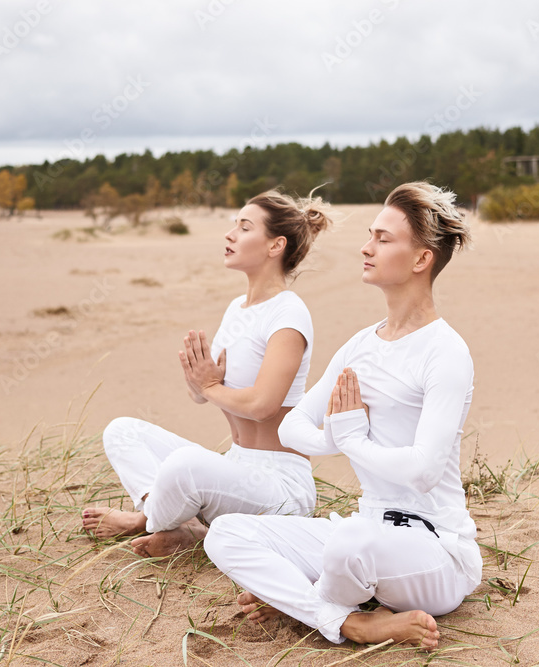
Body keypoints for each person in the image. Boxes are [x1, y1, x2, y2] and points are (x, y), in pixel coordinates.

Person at [204, 181, 480, 651]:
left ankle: (309, 602)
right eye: (370, 235)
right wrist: (337, 434)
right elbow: (293, 425)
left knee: (350, 543)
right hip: (364, 528)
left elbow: (423, 470)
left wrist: (352, 440)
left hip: (435, 549)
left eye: (383, 239)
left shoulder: (445, 352)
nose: (365, 247)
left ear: (420, 260)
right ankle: (346, 619)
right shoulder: (361, 344)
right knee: (226, 534)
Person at [81, 190, 333, 557]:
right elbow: (201, 393)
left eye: (244, 227)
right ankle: (188, 526)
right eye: (233, 225)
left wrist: (209, 385)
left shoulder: (289, 315)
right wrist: (199, 382)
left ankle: (146, 520)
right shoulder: (237, 308)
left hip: (280, 486)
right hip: (236, 465)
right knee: (122, 431)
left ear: (275, 245)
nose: (229, 235)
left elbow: (262, 405)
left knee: (185, 467)